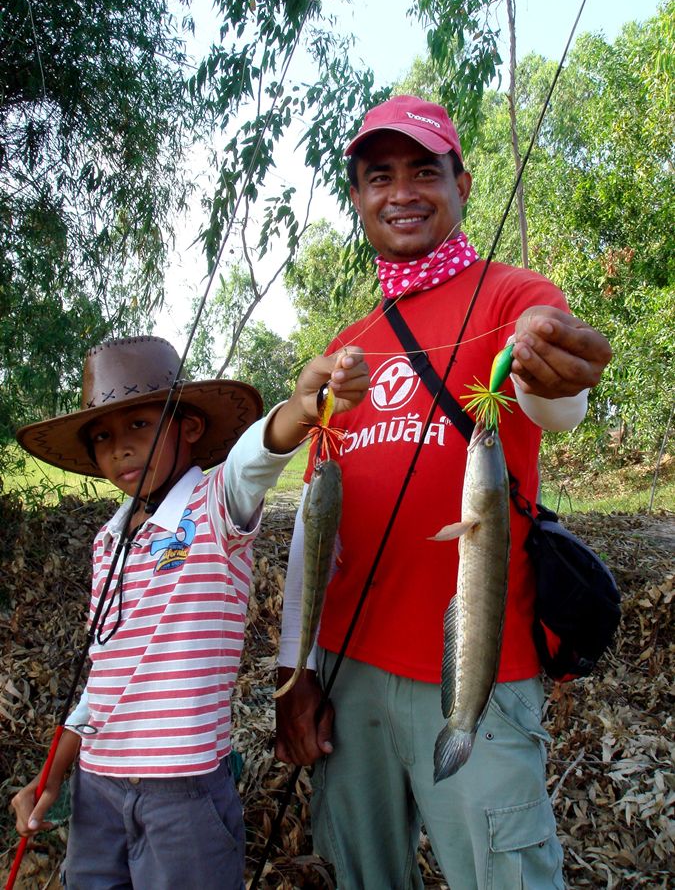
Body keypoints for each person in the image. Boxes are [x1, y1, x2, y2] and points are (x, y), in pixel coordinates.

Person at [275, 96, 612, 889]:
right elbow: (312, 536)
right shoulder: (344, 347)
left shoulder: (509, 294)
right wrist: (298, 673)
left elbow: (552, 391)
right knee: (356, 872)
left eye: (425, 171)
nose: (402, 191)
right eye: (378, 175)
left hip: (480, 673)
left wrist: (554, 359)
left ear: (461, 182)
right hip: (347, 670)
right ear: (356, 197)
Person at [10, 334, 368, 890]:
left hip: (182, 793)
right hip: (95, 787)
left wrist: (302, 407)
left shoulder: (214, 508)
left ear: (190, 427)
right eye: (103, 436)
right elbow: (101, 680)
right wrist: (52, 773)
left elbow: (257, 456)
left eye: (140, 425)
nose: (121, 448)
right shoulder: (107, 541)